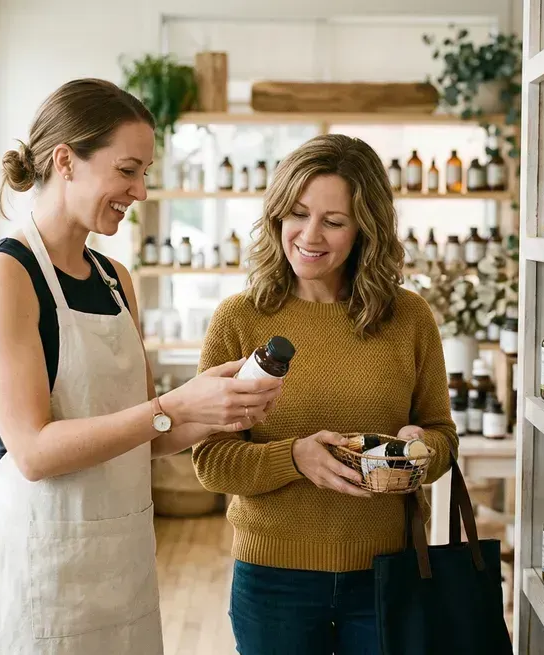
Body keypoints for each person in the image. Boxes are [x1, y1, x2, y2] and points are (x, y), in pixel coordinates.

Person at [0, 78, 283, 654]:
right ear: (66, 161)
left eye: (145, 173)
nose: (140, 190)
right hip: (43, 570)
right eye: (128, 170)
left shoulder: (115, 281)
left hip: (122, 560)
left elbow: (145, 433)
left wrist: (214, 409)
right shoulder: (4, 276)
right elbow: (33, 452)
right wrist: (172, 406)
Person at [192, 133, 458, 655]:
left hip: (389, 573)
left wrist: (420, 451)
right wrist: (294, 457)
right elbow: (212, 462)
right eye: (297, 213)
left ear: (366, 229)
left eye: (333, 221)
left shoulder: (408, 319)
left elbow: (441, 433)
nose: (309, 235)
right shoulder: (239, 320)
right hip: (274, 580)